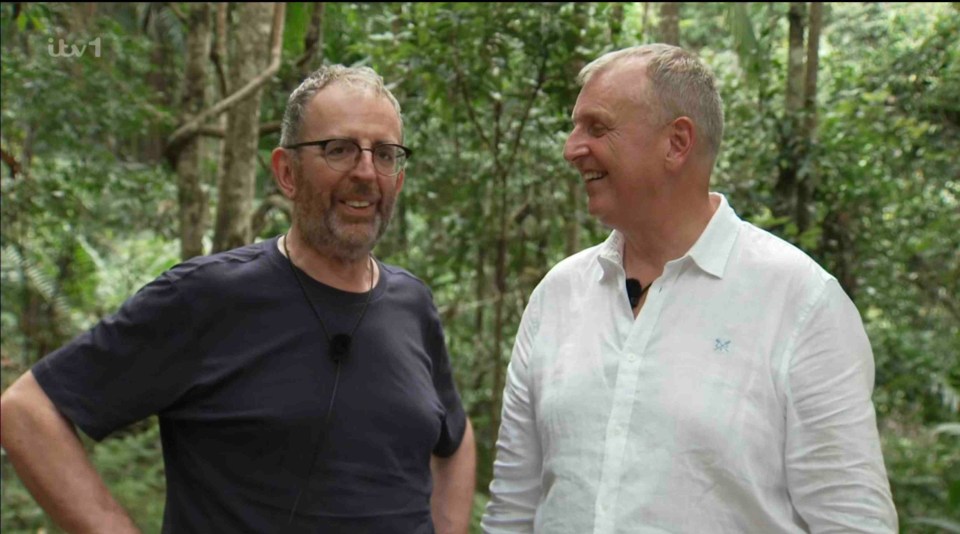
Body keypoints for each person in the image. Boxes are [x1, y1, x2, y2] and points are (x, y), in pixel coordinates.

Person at [0, 64, 476, 534]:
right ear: (286, 173)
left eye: (386, 154)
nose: (367, 172)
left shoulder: (412, 304)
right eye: (339, 150)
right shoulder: (207, 297)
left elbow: (454, 438)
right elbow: (27, 412)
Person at [481, 44, 897, 533]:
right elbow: (512, 508)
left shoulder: (800, 303)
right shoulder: (558, 295)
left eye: (597, 127)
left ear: (677, 143)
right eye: (575, 128)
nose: (572, 148)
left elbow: (853, 521)